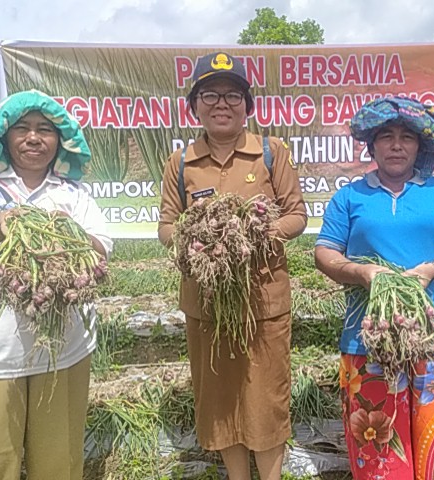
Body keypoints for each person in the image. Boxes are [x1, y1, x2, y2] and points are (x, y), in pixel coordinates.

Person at [0, 90, 112, 480]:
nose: (34, 137)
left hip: (63, 352)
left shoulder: (74, 193)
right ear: (3, 135)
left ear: (60, 139)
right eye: (23, 128)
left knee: (59, 465)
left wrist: (63, 232)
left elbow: (101, 252)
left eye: (45, 129)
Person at [314, 96, 434, 480]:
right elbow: (324, 253)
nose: (395, 145)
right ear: (371, 146)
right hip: (370, 340)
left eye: (406, 137)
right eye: (385, 136)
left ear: (419, 145)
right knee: (379, 455)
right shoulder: (350, 198)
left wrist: (432, 269)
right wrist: (364, 274)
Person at [158, 52, 307, 480]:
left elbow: (297, 214)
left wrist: (257, 234)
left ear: (247, 105)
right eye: (210, 95)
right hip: (206, 303)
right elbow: (167, 225)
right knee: (220, 397)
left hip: (264, 300)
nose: (222, 104)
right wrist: (194, 240)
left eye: (232, 95)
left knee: (266, 397)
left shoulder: (271, 153)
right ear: (195, 106)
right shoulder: (181, 162)